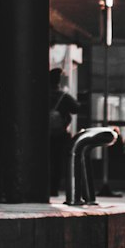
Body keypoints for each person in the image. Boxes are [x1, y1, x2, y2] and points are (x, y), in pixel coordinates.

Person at [49, 67, 80, 197]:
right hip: (59, 134)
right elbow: (76, 108)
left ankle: (44, 185)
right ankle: (54, 188)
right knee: (58, 162)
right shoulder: (63, 96)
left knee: (46, 160)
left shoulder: (40, 96)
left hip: (43, 136)